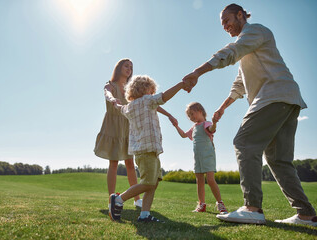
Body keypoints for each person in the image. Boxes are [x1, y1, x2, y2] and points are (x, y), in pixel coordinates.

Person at [182, 4, 317, 226]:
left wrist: (197, 72)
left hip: (273, 96)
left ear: (240, 14)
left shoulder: (254, 32)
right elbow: (239, 83)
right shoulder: (248, 47)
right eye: (222, 24)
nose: (225, 26)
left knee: (244, 143)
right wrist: (223, 107)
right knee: (279, 160)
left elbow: (230, 53)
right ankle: (306, 214)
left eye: (227, 20)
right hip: (287, 99)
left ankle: (252, 207)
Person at [94, 59, 178, 210]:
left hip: (129, 125)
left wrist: (168, 114)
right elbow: (107, 93)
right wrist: (113, 99)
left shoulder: (131, 89)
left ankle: (137, 199)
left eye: (131, 67)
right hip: (113, 124)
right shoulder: (111, 85)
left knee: (130, 163)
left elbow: (150, 103)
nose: (129, 68)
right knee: (113, 163)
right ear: (118, 68)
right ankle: (111, 199)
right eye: (126, 66)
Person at [109, 75, 184, 222]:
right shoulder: (147, 100)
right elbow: (164, 97)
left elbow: (119, 108)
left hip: (146, 150)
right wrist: (180, 85)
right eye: (152, 90)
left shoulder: (129, 107)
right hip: (148, 149)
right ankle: (118, 199)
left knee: (153, 183)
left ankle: (144, 215)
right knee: (149, 182)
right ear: (144, 89)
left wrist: (115, 103)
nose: (153, 92)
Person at [172, 102, 228, 214]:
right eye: (189, 116)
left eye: (192, 114)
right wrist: (176, 126)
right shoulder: (194, 127)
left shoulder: (206, 124)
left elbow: (212, 129)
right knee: (199, 180)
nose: (191, 117)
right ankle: (201, 204)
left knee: (210, 180)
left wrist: (215, 122)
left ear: (200, 111)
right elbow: (183, 135)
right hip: (197, 157)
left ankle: (220, 204)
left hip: (208, 155)